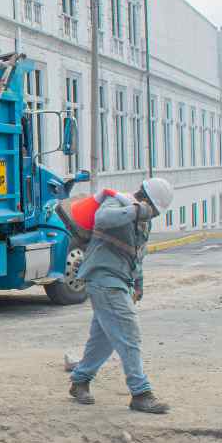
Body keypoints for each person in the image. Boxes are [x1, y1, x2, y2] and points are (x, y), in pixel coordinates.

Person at [67, 177, 174, 414]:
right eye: (153, 210)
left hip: (120, 280)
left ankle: (80, 381)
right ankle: (141, 393)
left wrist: (139, 283)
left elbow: (137, 255)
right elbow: (102, 219)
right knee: (128, 333)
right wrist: (135, 210)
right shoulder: (118, 202)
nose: (153, 215)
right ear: (145, 199)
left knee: (104, 339)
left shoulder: (143, 223)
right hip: (103, 278)